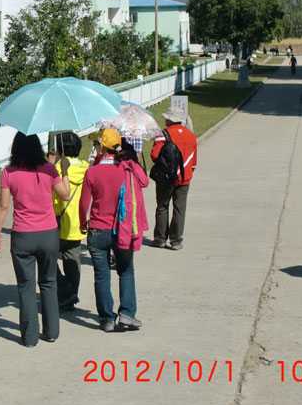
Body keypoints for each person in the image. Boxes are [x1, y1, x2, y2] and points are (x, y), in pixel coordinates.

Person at [0, 132, 70, 347]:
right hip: (48, 233)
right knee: (49, 282)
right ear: (38, 147)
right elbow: (65, 194)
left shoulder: (9, 172)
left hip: (23, 235)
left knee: (26, 286)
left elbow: (4, 206)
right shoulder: (48, 169)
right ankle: (52, 331)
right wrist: (64, 171)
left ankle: (29, 337)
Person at [80, 128, 149, 333]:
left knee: (101, 275)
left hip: (97, 229)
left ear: (101, 147)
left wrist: (83, 222)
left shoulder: (92, 171)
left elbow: (84, 203)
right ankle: (127, 313)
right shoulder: (127, 169)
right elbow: (144, 182)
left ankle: (106, 319)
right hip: (123, 228)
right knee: (126, 270)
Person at [150, 107, 198, 250]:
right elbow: (194, 161)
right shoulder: (191, 136)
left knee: (162, 206)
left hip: (166, 177)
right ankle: (176, 240)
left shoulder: (163, 135)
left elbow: (154, 155)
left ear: (170, 120)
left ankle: (160, 238)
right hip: (185, 177)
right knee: (180, 208)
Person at [50, 131, 88, 311]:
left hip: (56, 222)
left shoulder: (56, 170)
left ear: (60, 150)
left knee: (48, 259)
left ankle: (65, 290)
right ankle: (71, 295)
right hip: (77, 223)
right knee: (73, 261)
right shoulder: (86, 168)